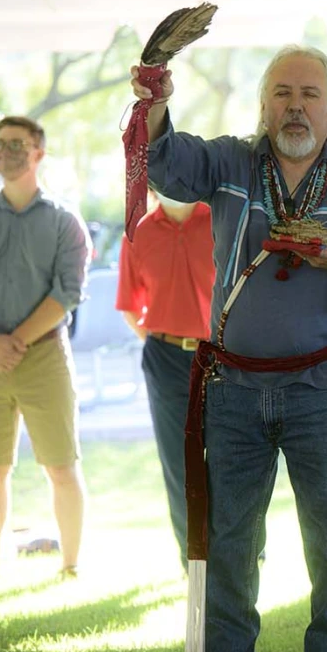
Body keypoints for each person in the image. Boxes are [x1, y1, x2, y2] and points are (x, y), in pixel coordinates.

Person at [131, 45, 327, 652]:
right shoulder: (231, 160)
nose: (296, 105)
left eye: (310, 94)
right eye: (283, 93)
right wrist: (154, 108)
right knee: (230, 552)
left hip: (325, 389)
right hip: (233, 390)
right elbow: (166, 168)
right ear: (264, 105)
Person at [0, 116, 91, 581]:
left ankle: (70, 566)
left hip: (46, 358)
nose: (6, 152)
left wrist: (17, 343)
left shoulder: (64, 222)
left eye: (18, 144)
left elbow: (68, 292)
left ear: (38, 153)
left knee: (60, 466)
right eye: (0, 144)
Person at [115, 189, 214, 572]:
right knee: (179, 462)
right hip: (165, 356)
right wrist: (170, 341)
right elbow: (130, 305)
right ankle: (193, 561)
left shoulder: (218, 219)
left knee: (230, 456)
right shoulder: (137, 231)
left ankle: (244, 552)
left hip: (222, 354)